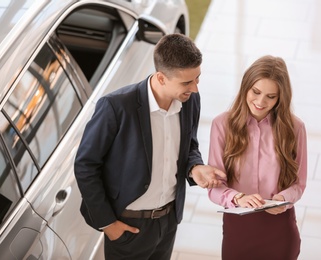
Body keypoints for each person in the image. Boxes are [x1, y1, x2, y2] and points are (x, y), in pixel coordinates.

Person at [74, 33, 226, 260]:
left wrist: (195, 168)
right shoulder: (116, 107)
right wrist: (108, 225)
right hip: (128, 226)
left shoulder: (189, 100)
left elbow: (189, 145)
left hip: (168, 221)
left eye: (197, 79)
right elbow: (86, 165)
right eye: (187, 82)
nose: (194, 88)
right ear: (161, 78)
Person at [207, 55, 307, 260]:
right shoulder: (222, 125)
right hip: (238, 228)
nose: (261, 102)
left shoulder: (295, 129)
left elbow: (299, 184)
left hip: (279, 227)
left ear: (281, 98)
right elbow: (214, 187)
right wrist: (237, 198)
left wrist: (282, 199)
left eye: (271, 96)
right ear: (246, 86)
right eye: (256, 92)